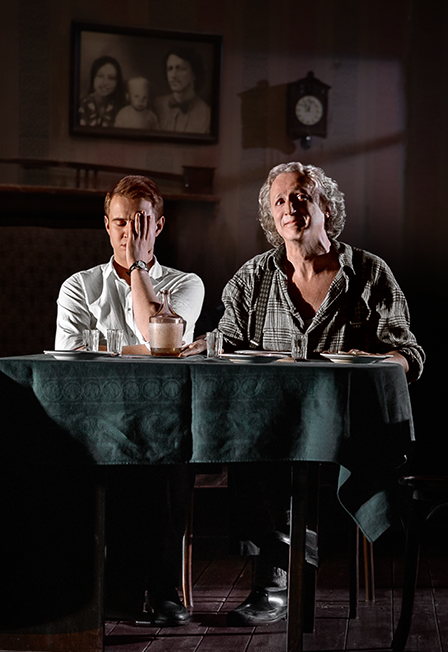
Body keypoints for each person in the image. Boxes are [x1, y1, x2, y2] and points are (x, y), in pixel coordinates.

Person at [182, 161, 425, 625]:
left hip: (345, 434)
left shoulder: (369, 272)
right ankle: (283, 566)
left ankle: (280, 573)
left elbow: (408, 352)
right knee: (243, 444)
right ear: (271, 217)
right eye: (280, 201)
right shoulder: (253, 276)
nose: (290, 208)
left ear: (325, 207)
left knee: (298, 459)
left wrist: (382, 361)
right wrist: (199, 344)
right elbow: (226, 337)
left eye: (300, 197)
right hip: (269, 430)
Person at [55, 175, 205, 626]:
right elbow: (71, 364)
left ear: (158, 226)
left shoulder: (186, 284)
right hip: (95, 421)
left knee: (162, 449)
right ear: (106, 225)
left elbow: (157, 338)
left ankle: (160, 590)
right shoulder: (79, 287)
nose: (129, 233)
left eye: (140, 223)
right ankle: (115, 588)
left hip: (163, 421)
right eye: (121, 223)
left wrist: (139, 267)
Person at [154, 47, 211, 134]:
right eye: (170, 69)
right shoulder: (157, 105)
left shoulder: (206, 113)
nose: (173, 75)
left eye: (180, 68)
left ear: (194, 74)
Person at [79, 55, 124, 128]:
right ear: (93, 78)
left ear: (117, 82)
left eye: (111, 78)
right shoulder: (80, 105)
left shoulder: (122, 110)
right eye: (100, 76)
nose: (105, 83)